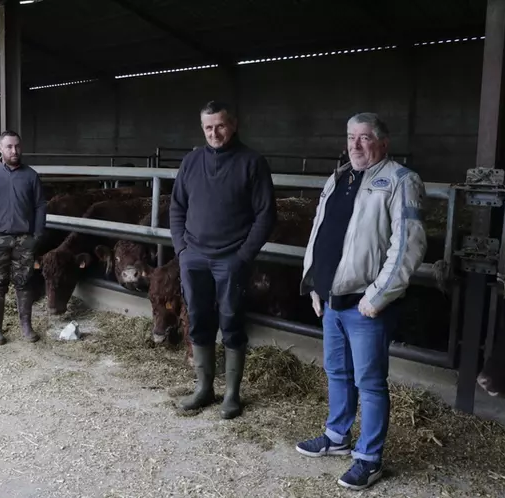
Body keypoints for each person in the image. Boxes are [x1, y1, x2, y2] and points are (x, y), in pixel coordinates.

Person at [296, 113, 427, 491]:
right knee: (336, 372)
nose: (355, 145)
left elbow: (408, 245)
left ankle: (369, 459)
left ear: (383, 143)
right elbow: (319, 233)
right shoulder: (337, 178)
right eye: (351, 137)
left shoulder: (401, 180)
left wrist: (378, 296)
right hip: (333, 300)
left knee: (369, 382)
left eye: (365, 138)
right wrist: (316, 283)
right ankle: (337, 436)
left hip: (366, 303)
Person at [169, 100, 277, 420]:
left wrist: (243, 255)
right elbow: (177, 207)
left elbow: (265, 215)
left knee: (231, 319)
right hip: (195, 257)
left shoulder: (252, 163)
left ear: (234, 124)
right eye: (208, 127)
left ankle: (232, 394)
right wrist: (181, 250)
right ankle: (204, 389)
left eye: (220, 125)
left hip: (231, 257)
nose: (214, 133)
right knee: (199, 319)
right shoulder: (191, 161)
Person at [0, 130, 46, 345]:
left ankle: (26, 325)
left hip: (24, 238)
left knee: (24, 283)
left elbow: (40, 206)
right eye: (9, 146)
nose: (14, 150)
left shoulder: (31, 175)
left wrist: (37, 234)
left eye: (17, 146)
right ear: (0, 149)